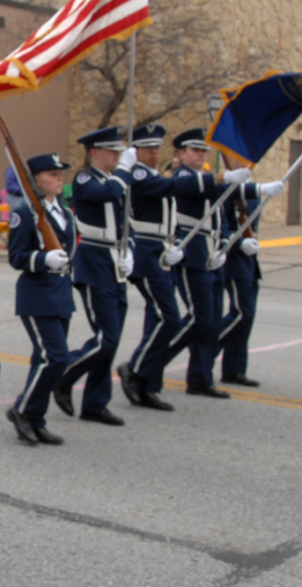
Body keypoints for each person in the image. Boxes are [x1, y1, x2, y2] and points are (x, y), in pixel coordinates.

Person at [162, 129, 280, 398]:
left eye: (204, 150)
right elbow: (216, 189)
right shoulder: (183, 177)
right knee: (202, 319)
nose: (202, 154)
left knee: (212, 322)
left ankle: (201, 377)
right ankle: (148, 362)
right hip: (192, 255)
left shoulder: (204, 178)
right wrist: (253, 188)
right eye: (196, 150)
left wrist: (226, 243)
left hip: (213, 255)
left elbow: (221, 218)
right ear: (181, 154)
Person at [52, 126, 133, 427]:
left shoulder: (116, 180)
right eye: (114, 152)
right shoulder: (87, 179)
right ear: (95, 152)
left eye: (120, 153)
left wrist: (130, 250)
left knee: (111, 340)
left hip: (116, 263)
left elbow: (126, 221)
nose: (118, 156)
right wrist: (125, 170)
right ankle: (65, 373)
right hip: (95, 264)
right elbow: (108, 194)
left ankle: (95, 403)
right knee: (106, 337)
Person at [114, 124, 187, 411]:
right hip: (146, 254)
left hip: (161, 251)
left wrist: (176, 244)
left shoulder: (155, 173)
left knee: (157, 320)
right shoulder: (139, 174)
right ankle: (135, 369)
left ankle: (148, 385)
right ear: (136, 151)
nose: (155, 152)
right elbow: (168, 187)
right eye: (149, 148)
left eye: (158, 147)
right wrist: (216, 179)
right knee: (170, 318)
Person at [5, 153, 76, 446]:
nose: (59, 179)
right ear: (35, 181)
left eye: (60, 174)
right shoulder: (25, 213)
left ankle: (36, 419)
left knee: (43, 360)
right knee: (55, 357)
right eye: (52, 174)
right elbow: (16, 257)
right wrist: (43, 258)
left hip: (60, 295)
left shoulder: (66, 213)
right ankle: (21, 410)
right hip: (37, 297)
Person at [217, 193, 264, 387]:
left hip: (250, 260)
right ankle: (205, 344)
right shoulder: (229, 189)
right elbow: (220, 226)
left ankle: (234, 369)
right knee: (243, 313)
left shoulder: (252, 191)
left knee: (247, 319)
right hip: (235, 260)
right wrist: (238, 243)